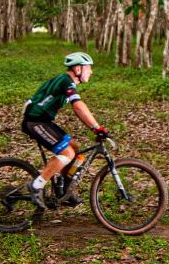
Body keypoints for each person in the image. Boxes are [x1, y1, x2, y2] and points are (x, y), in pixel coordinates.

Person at [19, 51, 108, 210]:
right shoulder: (66, 81)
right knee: (67, 153)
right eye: (89, 68)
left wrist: (94, 128)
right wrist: (97, 128)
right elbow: (78, 106)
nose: (91, 71)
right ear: (78, 69)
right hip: (35, 122)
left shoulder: (67, 82)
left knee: (76, 150)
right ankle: (35, 186)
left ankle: (64, 189)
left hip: (44, 121)